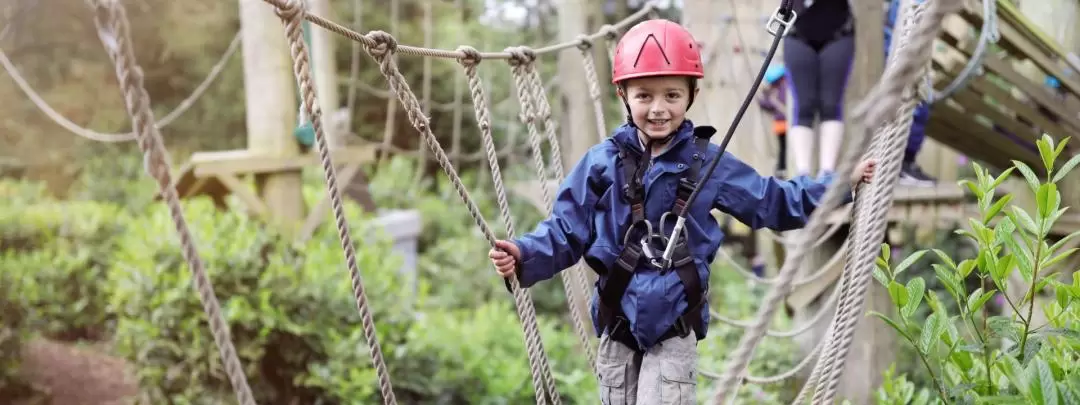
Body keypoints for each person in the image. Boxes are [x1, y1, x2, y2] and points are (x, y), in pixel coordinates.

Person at [486, 19, 877, 404]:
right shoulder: (601, 164)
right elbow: (566, 229)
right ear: (623, 94)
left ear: (691, 94)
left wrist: (842, 183)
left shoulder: (707, 164)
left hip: (674, 328)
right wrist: (524, 254)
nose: (658, 109)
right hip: (617, 323)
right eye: (644, 96)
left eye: (671, 95)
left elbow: (771, 201)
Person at [783, 0, 855, 179]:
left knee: (831, 104)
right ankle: (802, 173)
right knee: (804, 106)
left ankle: (827, 172)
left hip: (838, 31)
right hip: (797, 31)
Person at [884, 0, 937, 187]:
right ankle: (902, 164)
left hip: (911, 27)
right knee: (912, 99)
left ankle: (906, 163)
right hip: (904, 27)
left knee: (920, 98)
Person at [759, 64, 790, 179]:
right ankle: (782, 167)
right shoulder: (785, 86)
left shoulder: (776, 88)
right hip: (785, 123)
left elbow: (765, 103)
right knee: (785, 147)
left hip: (781, 123)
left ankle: (781, 168)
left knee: (783, 147)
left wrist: (765, 94)